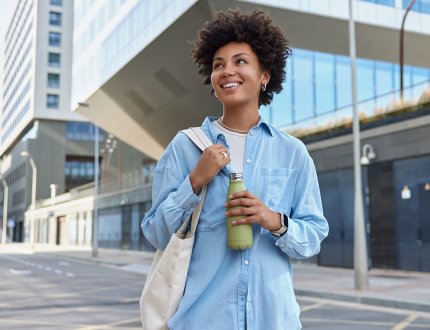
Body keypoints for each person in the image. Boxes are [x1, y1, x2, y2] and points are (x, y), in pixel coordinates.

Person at [141, 9, 329, 330]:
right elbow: (156, 232)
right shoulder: (186, 146)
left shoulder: (292, 152)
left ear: (264, 75)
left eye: (240, 61)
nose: (227, 70)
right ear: (212, 80)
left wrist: (273, 221)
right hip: (201, 320)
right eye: (218, 64)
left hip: (274, 321)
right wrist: (196, 180)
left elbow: (312, 237)